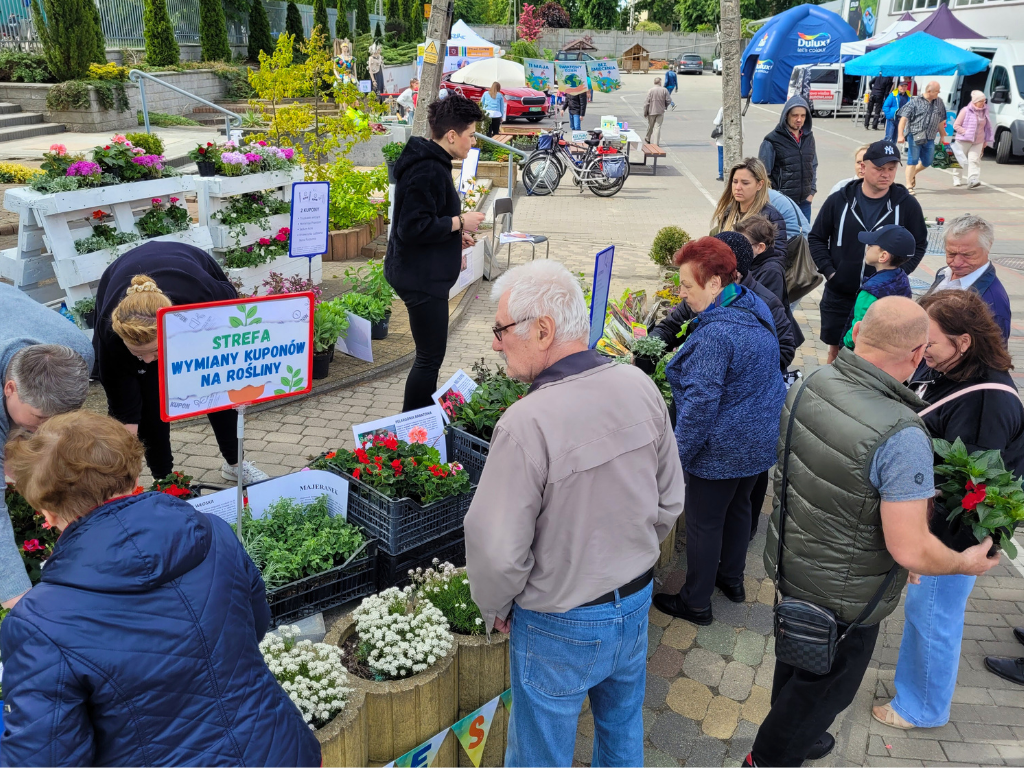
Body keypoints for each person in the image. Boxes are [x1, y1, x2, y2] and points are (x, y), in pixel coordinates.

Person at [746, 297, 1003, 768]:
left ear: (860, 329)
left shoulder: (813, 382)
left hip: (793, 566)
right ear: (916, 354)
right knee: (823, 690)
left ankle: (796, 737)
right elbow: (909, 548)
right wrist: (963, 563)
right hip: (849, 594)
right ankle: (768, 758)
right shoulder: (902, 434)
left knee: (798, 660)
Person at [0, 410, 321, 766]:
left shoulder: (38, 622)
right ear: (134, 474)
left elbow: (44, 757)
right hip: (280, 748)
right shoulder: (213, 533)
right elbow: (255, 623)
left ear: (47, 513)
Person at [464, 260, 685, 767]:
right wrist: (631, 551)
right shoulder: (637, 385)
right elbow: (670, 499)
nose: (496, 343)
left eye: (501, 330)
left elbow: (497, 548)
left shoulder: (526, 422)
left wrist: (496, 605)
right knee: (623, 731)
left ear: (542, 330)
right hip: (632, 604)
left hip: (558, 621)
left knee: (541, 754)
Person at [870, 290, 1024, 729]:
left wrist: (932, 549)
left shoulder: (986, 401)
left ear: (963, 342)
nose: (923, 353)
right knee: (927, 613)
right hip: (938, 528)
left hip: (954, 538)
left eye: (930, 344)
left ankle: (922, 708)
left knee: (933, 615)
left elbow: (970, 490)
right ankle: (915, 690)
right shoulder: (958, 373)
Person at [652, 238, 786, 626]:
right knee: (740, 508)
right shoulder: (750, 302)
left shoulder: (715, 335)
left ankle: (696, 602)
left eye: (687, 286)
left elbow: (698, 409)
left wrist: (675, 461)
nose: (682, 295)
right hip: (758, 438)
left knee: (704, 522)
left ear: (714, 284)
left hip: (723, 445)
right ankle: (732, 581)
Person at [93, 242, 268, 484]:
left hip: (190, 268)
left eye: (153, 351)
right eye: (137, 353)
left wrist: (239, 380)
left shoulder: (207, 299)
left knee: (217, 386)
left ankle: (236, 463)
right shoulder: (111, 337)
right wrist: (124, 473)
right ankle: (164, 481)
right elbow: (127, 414)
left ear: (174, 328)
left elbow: (231, 354)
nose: (146, 359)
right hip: (118, 275)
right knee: (149, 396)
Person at [385, 94, 486, 410]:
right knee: (429, 359)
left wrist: (453, 237)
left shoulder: (432, 162)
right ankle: (411, 433)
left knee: (431, 357)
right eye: (470, 135)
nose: (472, 143)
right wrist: (460, 221)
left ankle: (419, 425)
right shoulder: (428, 168)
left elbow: (425, 222)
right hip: (420, 278)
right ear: (452, 135)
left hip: (422, 271)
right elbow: (411, 228)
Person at [0, 283, 93, 610]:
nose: (47, 427)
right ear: (9, 387)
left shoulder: (78, 353)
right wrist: (20, 602)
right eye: (40, 416)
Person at [809, 139, 927, 363]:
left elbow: (919, 243)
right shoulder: (839, 200)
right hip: (840, 295)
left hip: (883, 300)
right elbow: (816, 237)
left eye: (891, 169)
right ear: (863, 167)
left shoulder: (906, 205)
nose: (886, 174)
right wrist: (831, 273)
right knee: (837, 354)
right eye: (880, 168)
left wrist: (897, 273)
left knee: (876, 358)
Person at [924, 214, 1010, 342]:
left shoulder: (992, 302)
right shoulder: (943, 274)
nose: (957, 262)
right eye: (951, 253)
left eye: (967, 255)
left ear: (988, 247)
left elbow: (993, 358)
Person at [733, 214, 804, 348]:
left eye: (743, 244)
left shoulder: (771, 271)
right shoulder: (750, 261)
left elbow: (762, 311)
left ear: (760, 247)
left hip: (775, 341)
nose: (737, 249)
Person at [841, 224, 915, 349]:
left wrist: (845, 345)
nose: (867, 248)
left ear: (883, 256)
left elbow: (859, 328)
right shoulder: (902, 278)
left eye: (871, 246)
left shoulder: (871, 291)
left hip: (863, 352)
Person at [711, 157, 789, 272]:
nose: (738, 188)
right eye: (735, 181)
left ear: (759, 185)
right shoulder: (728, 212)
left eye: (745, 183)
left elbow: (778, 258)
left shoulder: (770, 216)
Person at [758, 95, 817, 220]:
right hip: (782, 204)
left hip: (805, 203)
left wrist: (811, 192)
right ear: (786, 115)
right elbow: (762, 174)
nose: (799, 119)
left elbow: (813, 165)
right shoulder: (772, 140)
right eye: (795, 115)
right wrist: (775, 199)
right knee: (783, 238)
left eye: (803, 116)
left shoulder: (809, 138)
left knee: (803, 238)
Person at [897, 81, 947, 195]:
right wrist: (900, 135)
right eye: (937, 91)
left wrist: (943, 135)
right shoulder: (914, 102)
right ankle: (908, 185)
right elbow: (903, 119)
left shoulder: (939, 102)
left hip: (930, 137)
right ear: (929, 91)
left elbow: (940, 120)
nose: (938, 93)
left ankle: (913, 173)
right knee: (912, 160)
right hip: (915, 135)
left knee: (928, 161)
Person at [951, 90, 994, 189]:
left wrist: (985, 140)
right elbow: (956, 125)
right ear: (975, 101)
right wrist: (965, 132)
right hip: (963, 140)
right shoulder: (965, 110)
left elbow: (987, 127)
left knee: (974, 160)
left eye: (984, 101)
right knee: (959, 160)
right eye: (981, 101)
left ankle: (973, 180)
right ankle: (957, 178)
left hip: (978, 141)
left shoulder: (985, 111)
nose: (983, 103)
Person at [643, 77, 671, 146]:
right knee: (657, 127)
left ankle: (648, 138)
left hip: (651, 111)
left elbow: (646, 103)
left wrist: (645, 112)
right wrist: (665, 106)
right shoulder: (664, 90)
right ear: (660, 82)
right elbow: (669, 100)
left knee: (650, 125)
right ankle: (656, 143)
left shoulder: (650, 90)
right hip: (660, 111)